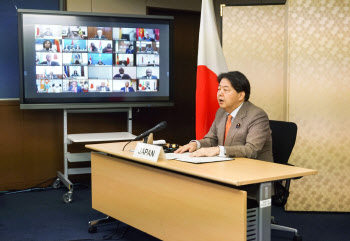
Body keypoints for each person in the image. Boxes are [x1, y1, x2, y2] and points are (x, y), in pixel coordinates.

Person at [175, 71, 273, 162]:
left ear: (241, 95)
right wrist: (196, 144)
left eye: (225, 90)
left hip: (255, 173)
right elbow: (211, 140)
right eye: (219, 89)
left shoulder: (257, 115)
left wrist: (218, 150)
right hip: (227, 168)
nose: (220, 93)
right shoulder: (221, 112)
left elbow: (251, 150)